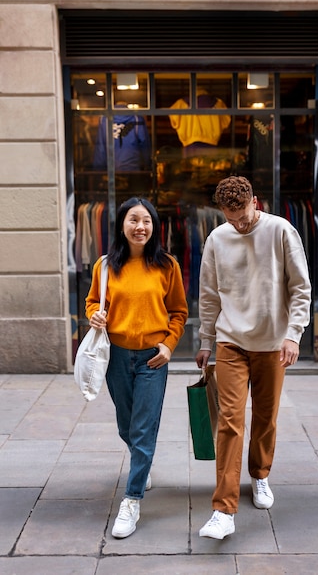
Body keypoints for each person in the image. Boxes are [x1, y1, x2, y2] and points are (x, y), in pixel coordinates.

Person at [195, 176, 311, 540]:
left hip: (273, 344)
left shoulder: (281, 230)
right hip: (231, 342)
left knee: (265, 417)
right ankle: (223, 510)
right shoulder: (217, 239)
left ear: (254, 202)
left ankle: (260, 475)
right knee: (230, 420)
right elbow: (210, 294)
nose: (240, 224)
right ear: (222, 212)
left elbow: (301, 288)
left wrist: (293, 335)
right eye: (232, 218)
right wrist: (206, 340)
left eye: (244, 215)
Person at [85, 197, 188, 539]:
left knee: (143, 430)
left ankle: (132, 500)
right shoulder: (106, 266)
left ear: (154, 226)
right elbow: (92, 303)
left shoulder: (167, 265)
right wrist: (95, 316)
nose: (140, 226)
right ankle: (142, 467)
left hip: (152, 360)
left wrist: (168, 345)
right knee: (127, 427)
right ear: (121, 224)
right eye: (133, 220)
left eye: (146, 221)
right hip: (115, 356)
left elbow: (179, 312)